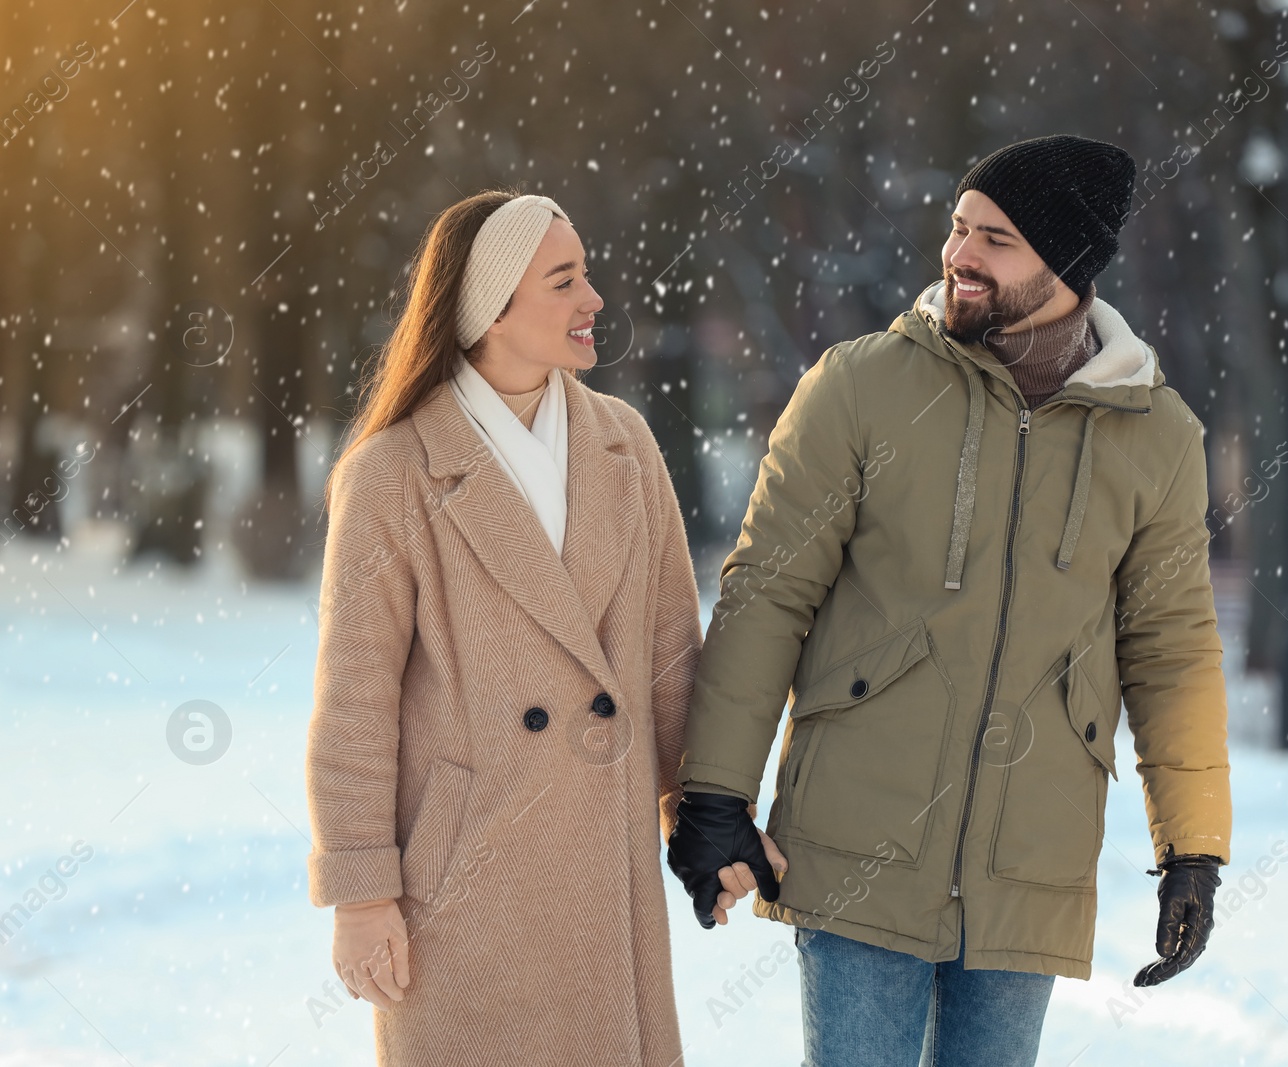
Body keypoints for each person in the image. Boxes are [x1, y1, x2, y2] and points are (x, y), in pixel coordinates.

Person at [666, 135, 1232, 1066]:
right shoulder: (862, 385)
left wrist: (1194, 850)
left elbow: (1171, 652)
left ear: (1069, 261)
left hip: (1031, 859)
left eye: (996, 239)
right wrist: (717, 790)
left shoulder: (1156, 434)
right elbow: (769, 592)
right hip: (859, 841)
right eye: (958, 228)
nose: (960, 255)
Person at [303, 190, 777, 1066]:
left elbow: (674, 654)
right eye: (565, 280)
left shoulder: (624, 443)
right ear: (488, 308)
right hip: (456, 887)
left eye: (586, 274)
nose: (594, 299)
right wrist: (362, 892)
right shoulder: (392, 474)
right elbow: (354, 701)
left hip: (606, 869)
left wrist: (705, 811)